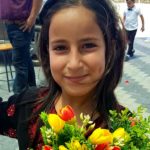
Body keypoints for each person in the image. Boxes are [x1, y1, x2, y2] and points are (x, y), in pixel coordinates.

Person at [0, 0, 127, 149]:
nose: (74, 64)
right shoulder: (28, 106)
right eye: (60, 47)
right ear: (47, 51)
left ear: (110, 48)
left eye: (88, 45)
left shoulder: (126, 131)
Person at [0, 0, 43, 94]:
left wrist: (32, 17)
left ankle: (18, 100)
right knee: (25, 60)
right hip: (10, 24)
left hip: (21, 25)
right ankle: (32, 92)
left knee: (19, 63)